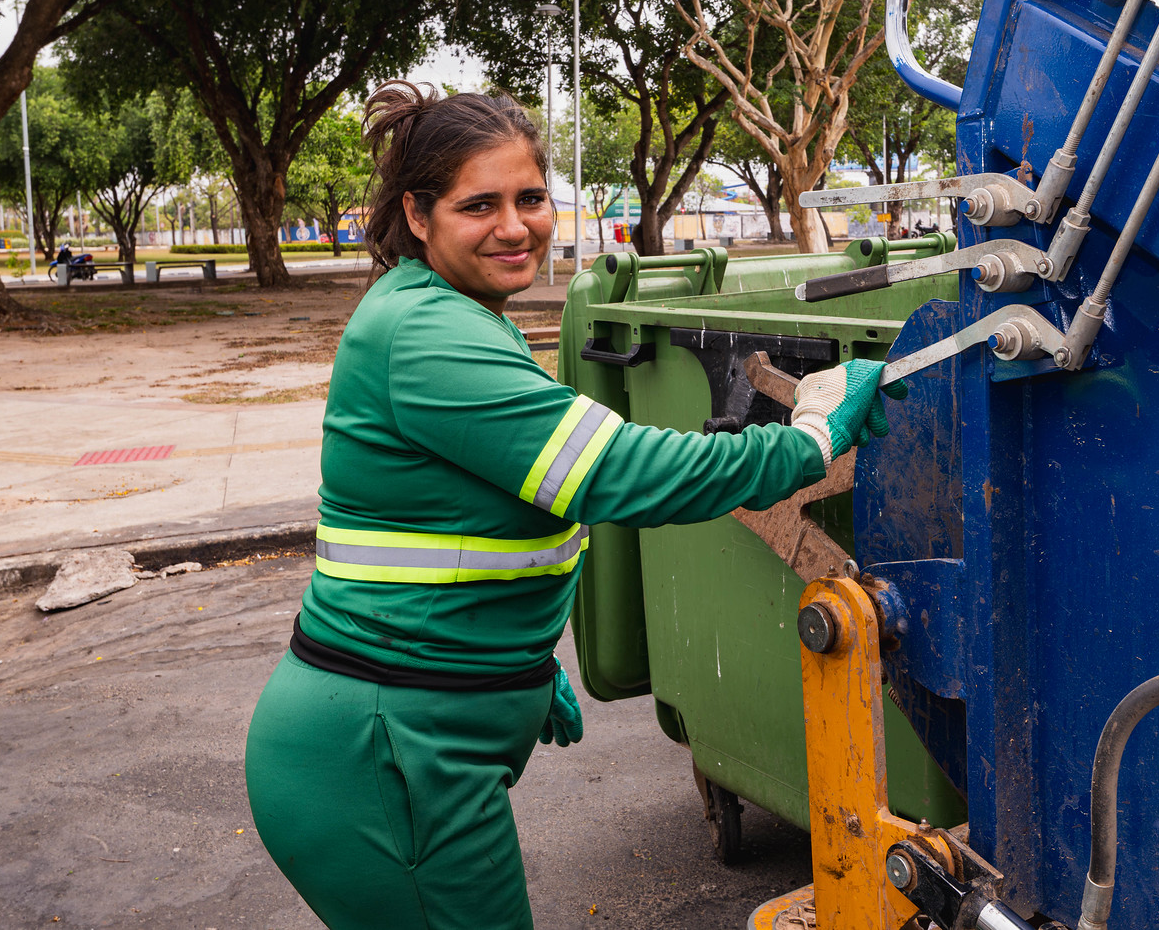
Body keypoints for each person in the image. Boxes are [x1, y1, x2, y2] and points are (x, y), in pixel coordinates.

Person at [244, 82, 900, 929]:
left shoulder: (452, 313)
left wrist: (514, 662)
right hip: (387, 754)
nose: (515, 226)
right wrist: (805, 441)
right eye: (478, 204)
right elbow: (612, 471)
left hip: (408, 733)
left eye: (530, 197)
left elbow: (450, 526)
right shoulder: (428, 336)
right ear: (417, 213)